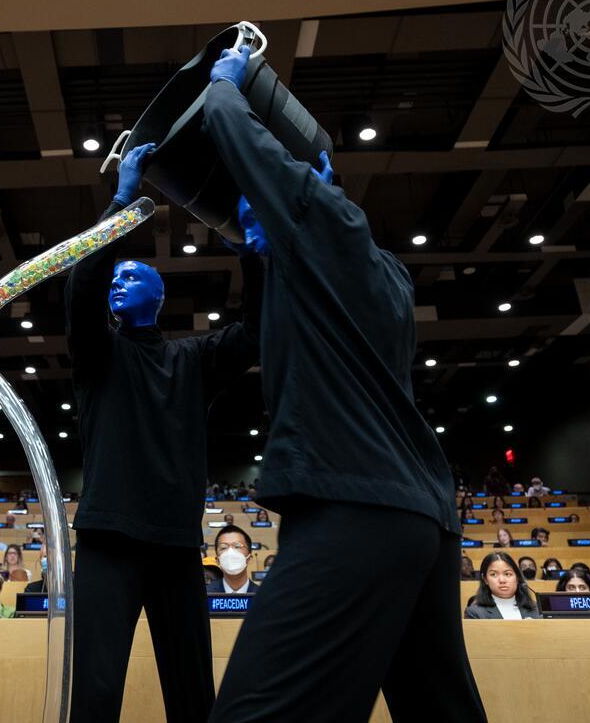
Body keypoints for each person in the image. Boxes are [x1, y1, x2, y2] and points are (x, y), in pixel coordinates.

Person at [202, 45, 484, 722]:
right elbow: (282, 327)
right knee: (438, 709)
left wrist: (225, 80)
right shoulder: (383, 274)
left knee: (255, 712)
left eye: (261, 205)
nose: (251, 217)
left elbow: (229, 124)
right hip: (420, 517)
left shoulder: (328, 217)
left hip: (354, 507)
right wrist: (255, 254)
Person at [65, 134, 262, 723]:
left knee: (193, 693)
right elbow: (81, 285)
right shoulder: (97, 354)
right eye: (115, 280)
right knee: (96, 691)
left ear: (160, 293)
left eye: (131, 277)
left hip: (176, 544)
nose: (116, 284)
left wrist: (251, 253)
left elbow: (256, 332)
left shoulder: (192, 360)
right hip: (107, 542)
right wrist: (120, 207)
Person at [464, 553, 541, 619]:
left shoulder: (535, 608)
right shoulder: (475, 612)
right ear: (485, 579)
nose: (502, 580)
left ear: (517, 578)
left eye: (507, 574)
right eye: (493, 574)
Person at [209, 526, 260, 594]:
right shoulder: (204, 594)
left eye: (237, 546)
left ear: (249, 558)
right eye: (223, 547)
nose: (230, 552)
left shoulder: (264, 595)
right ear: (217, 560)